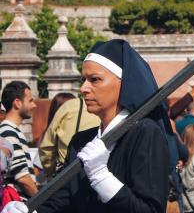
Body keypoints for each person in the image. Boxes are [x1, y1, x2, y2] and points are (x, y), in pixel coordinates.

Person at [2, 39, 170, 213]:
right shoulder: (81, 140)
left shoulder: (145, 133)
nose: (83, 88)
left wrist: (101, 177)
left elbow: (150, 210)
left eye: (94, 79)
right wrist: (31, 210)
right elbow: (61, 200)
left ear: (123, 83)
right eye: (84, 80)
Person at [39, 97, 100, 180]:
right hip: (99, 173)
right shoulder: (113, 108)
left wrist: (51, 174)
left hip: (67, 172)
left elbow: (47, 146)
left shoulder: (71, 106)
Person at [0, 81, 38, 199]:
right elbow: (22, 177)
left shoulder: (13, 131)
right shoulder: (8, 132)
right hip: (18, 204)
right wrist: (41, 200)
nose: (34, 105)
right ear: (17, 103)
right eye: (30, 101)